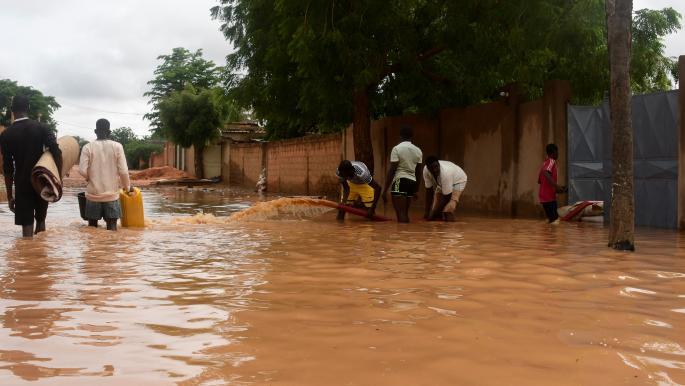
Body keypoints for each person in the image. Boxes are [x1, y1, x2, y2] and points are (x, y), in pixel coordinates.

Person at [0, 95, 63, 238]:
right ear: (28, 108)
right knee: (41, 221)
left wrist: (10, 196)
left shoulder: (6, 135)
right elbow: (56, 153)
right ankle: (40, 256)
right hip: (42, 181)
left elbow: (8, 168)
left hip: (22, 185)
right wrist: (57, 178)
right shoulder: (41, 128)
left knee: (26, 231)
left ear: (11, 110)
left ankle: (27, 257)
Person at [78, 118, 131, 231]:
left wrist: (89, 178)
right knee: (112, 230)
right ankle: (110, 247)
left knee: (92, 230)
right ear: (109, 132)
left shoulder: (87, 147)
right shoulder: (117, 146)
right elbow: (123, 171)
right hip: (111, 196)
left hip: (93, 196)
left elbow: (82, 170)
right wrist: (127, 188)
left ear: (95, 131)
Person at [382, 126, 422, 222]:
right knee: (405, 213)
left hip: (400, 181)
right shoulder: (418, 150)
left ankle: (401, 236)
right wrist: (416, 189)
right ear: (411, 137)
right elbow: (418, 171)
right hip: (412, 182)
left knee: (400, 214)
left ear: (400, 136)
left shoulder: (396, 149)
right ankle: (405, 235)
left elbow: (392, 170)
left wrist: (385, 190)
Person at [423, 156, 467, 222]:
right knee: (435, 210)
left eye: (436, 166)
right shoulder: (425, 171)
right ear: (428, 168)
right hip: (442, 183)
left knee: (447, 211)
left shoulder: (445, 173)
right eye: (432, 168)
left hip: (458, 180)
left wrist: (434, 214)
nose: (435, 170)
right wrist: (427, 212)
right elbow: (429, 192)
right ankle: (438, 217)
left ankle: (449, 229)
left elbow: (447, 196)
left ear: (439, 164)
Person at [538, 143, 566, 224]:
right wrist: (556, 186)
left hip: (543, 197)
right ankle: (552, 236)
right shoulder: (551, 161)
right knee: (555, 220)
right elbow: (546, 173)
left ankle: (548, 236)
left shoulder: (544, 163)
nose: (558, 154)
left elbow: (540, 181)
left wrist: (557, 189)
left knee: (551, 220)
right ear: (554, 152)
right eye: (557, 152)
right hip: (549, 198)